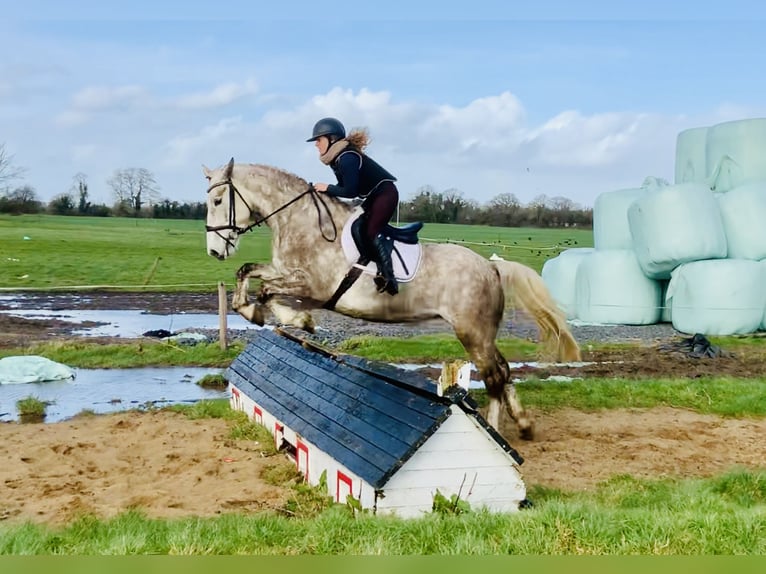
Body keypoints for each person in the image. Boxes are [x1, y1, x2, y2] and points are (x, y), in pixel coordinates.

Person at [307, 117, 400, 295]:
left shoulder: (347, 158)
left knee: (370, 231)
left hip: (385, 194)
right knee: (357, 228)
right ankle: (369, 265)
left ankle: (389, 278)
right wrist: (327, 190)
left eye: (319, 140)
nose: (316, 144)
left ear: (331, 139)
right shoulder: (338, 158)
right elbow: (346, 190)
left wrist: (327, 188)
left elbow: (350, 191)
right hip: (375, 195)